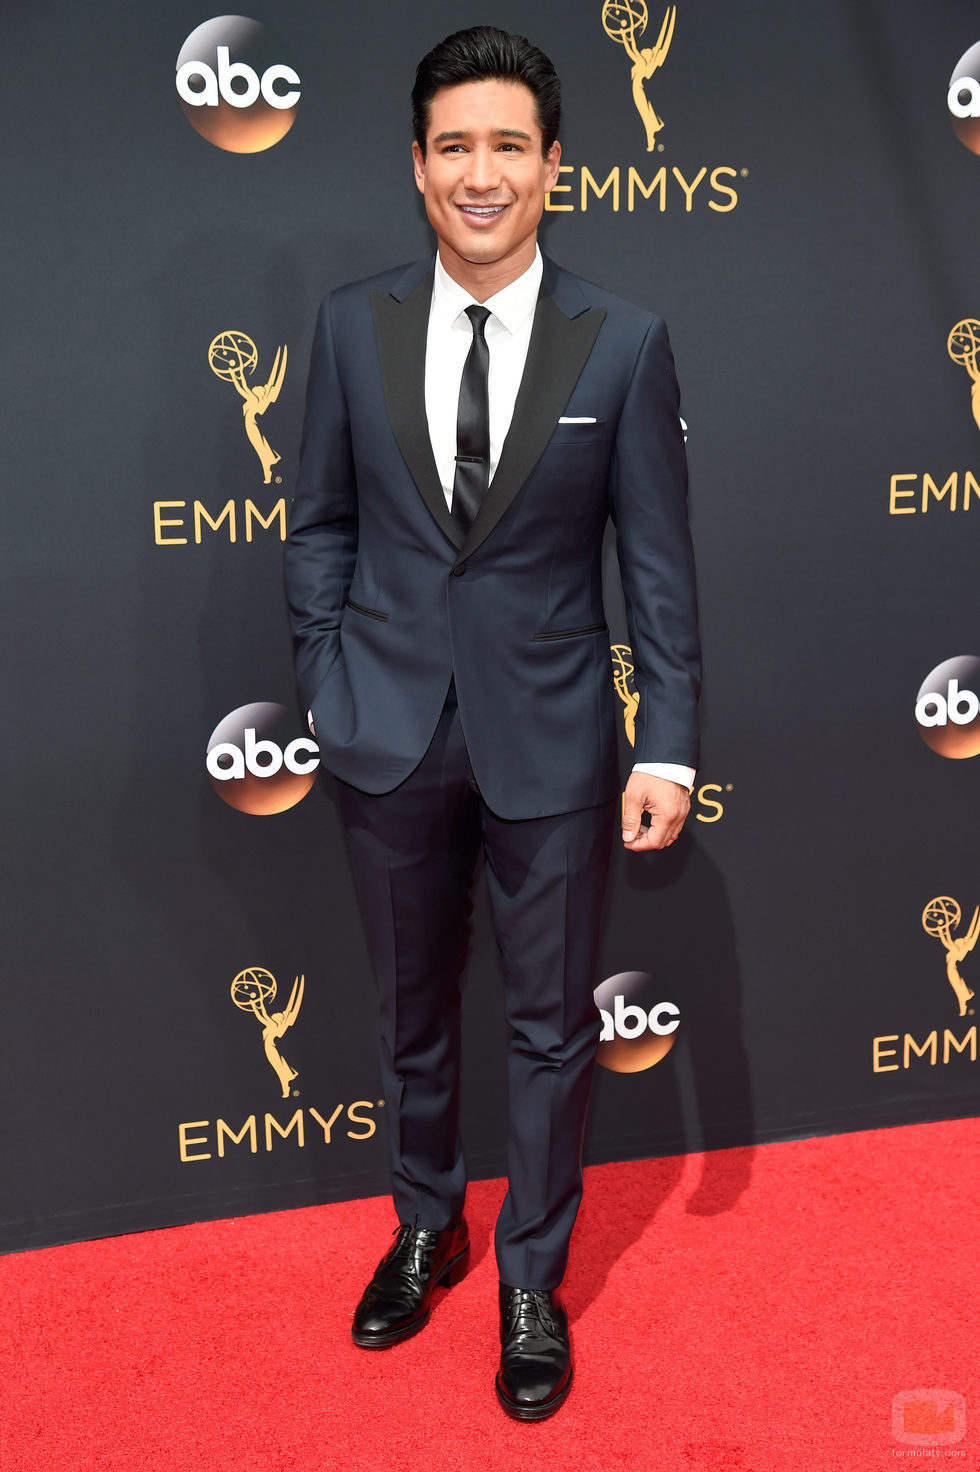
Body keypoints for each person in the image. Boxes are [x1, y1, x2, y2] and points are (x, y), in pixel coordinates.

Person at [284, 24, 700, 1421]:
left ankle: (532, 1273)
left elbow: (657, 568)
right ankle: (424, 1224)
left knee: (546, 1026)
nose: (481, 172)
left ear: (553, 168)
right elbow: (321, 521)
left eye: (508, 145)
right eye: (454, 144)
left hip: (557, 738)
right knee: (411, 1012)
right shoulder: (349, 325)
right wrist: (327, 671)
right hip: (383, 729)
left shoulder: (624, 344)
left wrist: (672, 738)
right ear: (417, 166)